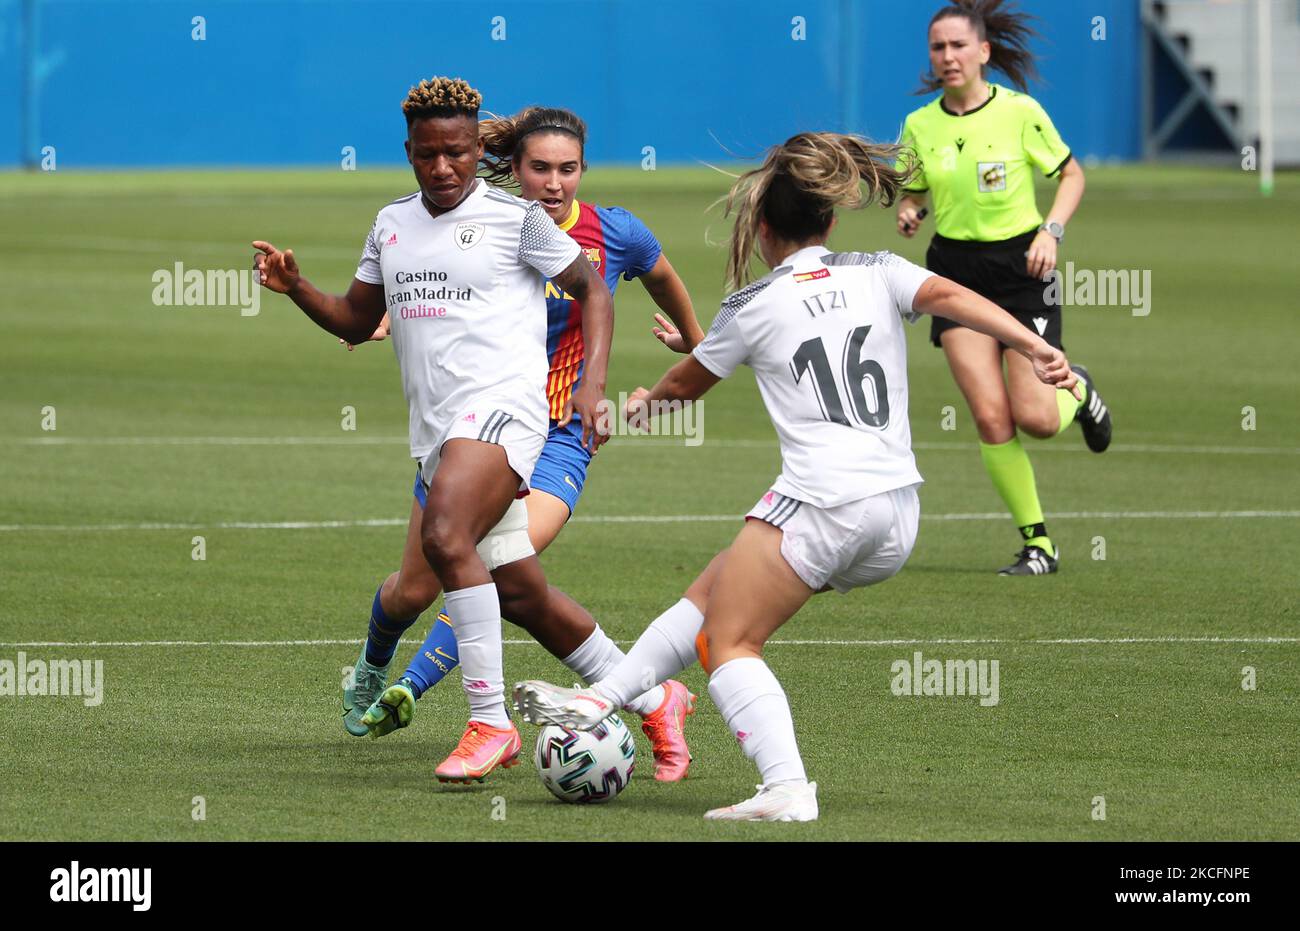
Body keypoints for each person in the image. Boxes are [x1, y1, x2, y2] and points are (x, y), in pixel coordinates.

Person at [513, 131, 1081, 820]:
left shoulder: (752, 307)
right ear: (830, 221)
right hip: (897, 513)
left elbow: (682, 388)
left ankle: (786, 787)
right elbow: (955, 298)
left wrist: (640, 402)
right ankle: (599, 698)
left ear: (759, 227)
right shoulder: (878, 269)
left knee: (727, 641)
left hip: (823, 503)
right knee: (717, 584)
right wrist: (1032, 342)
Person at [252, 77, 678, 784]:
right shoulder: (391, 225)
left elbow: (594, 289)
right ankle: (658, 694)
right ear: (410, 152)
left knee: (447, 537)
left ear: (476, 148)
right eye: (427, 155)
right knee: (518, 592)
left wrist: (591, 384)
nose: (443, 168)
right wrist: (297, 288)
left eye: (456, 153)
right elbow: (358, 320)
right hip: (439, 435)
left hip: (507, 413)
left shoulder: (518, 219)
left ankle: (489, 723)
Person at [896, 0, 1111, 576]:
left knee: (1037, 419)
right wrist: (912, 209)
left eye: (958, 45)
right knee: (992, 418)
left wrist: (1053, 231)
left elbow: (1071, 173)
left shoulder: (1019, 112)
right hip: (956, 275)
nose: (947, 57)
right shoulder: (920, 125)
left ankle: (1081, 392)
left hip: (1022, 272)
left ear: (984, 51)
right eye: (938, 47)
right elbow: (915, 188)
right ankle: (1039, 544)